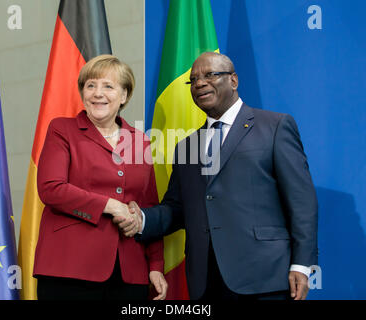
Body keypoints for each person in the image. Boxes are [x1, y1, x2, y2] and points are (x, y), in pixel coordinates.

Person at [115, 52, 318, 300]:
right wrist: (141, 218)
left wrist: (301, 264)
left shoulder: (275, 127)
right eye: (194, 80)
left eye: (210, 75)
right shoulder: (186, 146)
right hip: (206, 280)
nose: (200, 83)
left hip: (265, 277)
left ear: (233, 80)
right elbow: (176, 209)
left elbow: (302, 202)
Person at [33, 54, 167, 300]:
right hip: (69, 268)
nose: (97, 93)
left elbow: (148, 207)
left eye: (108, 86)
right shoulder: (62, 129)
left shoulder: (141, 141)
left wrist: (156, 265)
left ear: (124, 96)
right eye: (90, 85)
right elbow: (50, 188)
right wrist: (111, 205)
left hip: (130, 271)